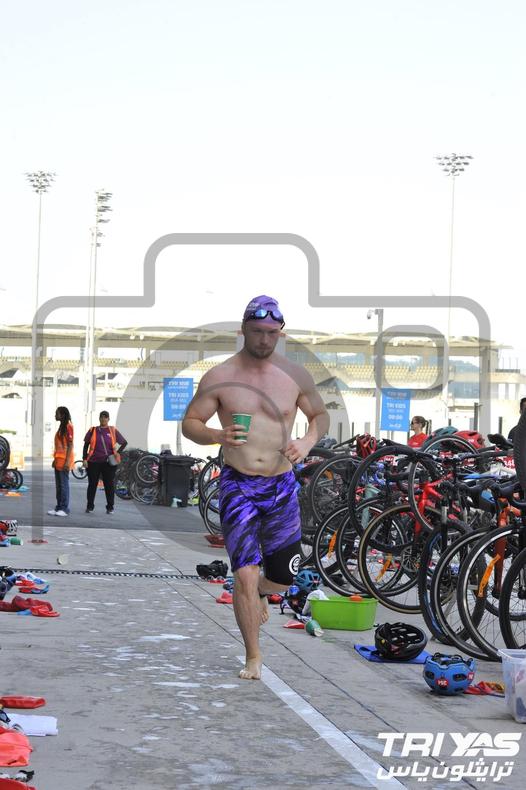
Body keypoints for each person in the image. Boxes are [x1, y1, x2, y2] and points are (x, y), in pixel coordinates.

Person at [182, 296, 329, 680]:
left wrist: (307, 442)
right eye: (257, 331)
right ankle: (253, 656)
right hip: (239, 486)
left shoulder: (295, 376)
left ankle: (262, 593)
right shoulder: (221, 376)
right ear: (243, 330)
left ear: (281, 333)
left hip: (281, 486)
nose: (264, 339)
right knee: (244, 574)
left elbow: (319, 415)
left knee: (285, 576)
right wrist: (217, 434)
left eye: (271, 333)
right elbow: (191, 422)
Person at [83, 411, 127, 514]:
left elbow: (124, 443)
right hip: (93, 462)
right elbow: (86, 445)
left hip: (108, 463)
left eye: (105, 417)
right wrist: (84, 459)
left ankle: (110, 507)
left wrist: (117, 453)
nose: (103, 419)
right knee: (92, 485)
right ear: (99, 418)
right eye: (102, 417)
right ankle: (90, 506)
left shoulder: (112, 430)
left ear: (108, 419)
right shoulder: (93, 430)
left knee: (109, 485)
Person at [47, 406, 74, 517]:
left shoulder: (68, 426)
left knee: (63, 486)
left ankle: (64, 508)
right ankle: (59, 507)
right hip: (59, 460)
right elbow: (59, 446)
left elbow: (70, 445)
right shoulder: (61, 427)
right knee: (59, 486)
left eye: (57, 413)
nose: (55, 415)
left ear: (62, 415)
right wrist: (55, 459)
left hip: (64, 461)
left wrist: (67, 462)